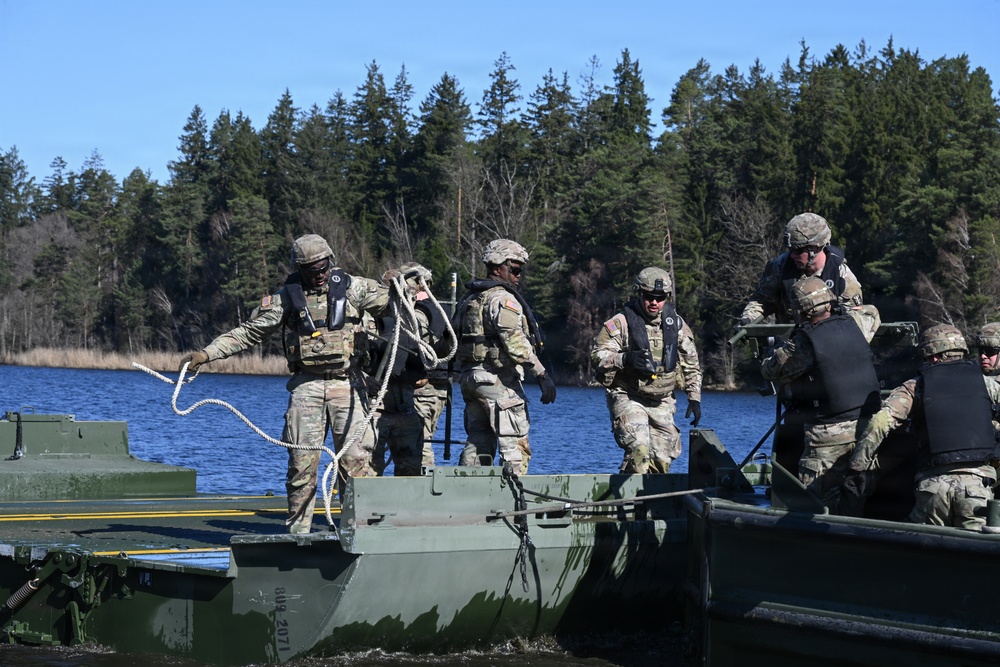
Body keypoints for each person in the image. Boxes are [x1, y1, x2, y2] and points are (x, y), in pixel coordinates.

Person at [178, 234, 390, 534]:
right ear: (299, 269)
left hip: (349, 385)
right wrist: (206, 354)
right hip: (307, 387)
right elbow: (247, 333)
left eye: (323, 267)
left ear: (330, 261)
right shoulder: (286, 299)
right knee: (302, 465)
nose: (320, 274)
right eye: (312, 269)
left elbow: (396, 304)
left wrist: (405, 285)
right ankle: (298, 533)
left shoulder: (354, 288)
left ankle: (359, 532)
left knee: (356, 463)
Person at [846, 324, 1000, 530]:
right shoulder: (986, 384)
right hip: (977, 488)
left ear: (933, 356)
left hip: (933, 487)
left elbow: (879, 423)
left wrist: (857, 467)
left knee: (929, 545)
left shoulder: (915, 386)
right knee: (974, 548)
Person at [759, 277, 881, 513]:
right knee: (858, 495)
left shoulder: (804, 343)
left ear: (800, 310)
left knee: (817, 503)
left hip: (828, 434)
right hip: (867, 428)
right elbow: (872, 312)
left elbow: (771, 370)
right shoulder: (856, 322)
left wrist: (784, 343)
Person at [455, 239, 556, 474]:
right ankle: (515, 491)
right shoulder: (502, 299)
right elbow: (515, 343)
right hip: (496, 379)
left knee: (478, 441)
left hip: (471, 378)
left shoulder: (471, 298)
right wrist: (541, 375)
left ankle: (464, 488)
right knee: (515, 443)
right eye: (515, 270)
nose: (519, 276)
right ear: (498, 267)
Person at [591, 267, 702, 474]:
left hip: (662, 400)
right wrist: (625, 358)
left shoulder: (676, 325)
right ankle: (629, 492)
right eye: (649, 296)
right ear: (639, 294)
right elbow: (597, 357)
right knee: (639, 451)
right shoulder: (620, 323)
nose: (654, 302)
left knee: (661, 463)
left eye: (660, 298)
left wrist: (694, 398)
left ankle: (647, 495)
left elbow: (691, 364)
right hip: (628, 396)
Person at [368, 262, 453, 476]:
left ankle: (417, 494)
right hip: (377, 402)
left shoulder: (424, 315)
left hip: (406, 402)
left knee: (412, 463)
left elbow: (435, 349)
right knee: (368, 465)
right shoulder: (375, 314)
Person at [738, 213, 863, 326]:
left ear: (816, 247)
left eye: (798, 250)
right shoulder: (780, 267)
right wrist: (748, 319)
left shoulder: (842, 278)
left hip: (827, 339)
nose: (792, 255)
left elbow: (852, 321)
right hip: (787, 339)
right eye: (790, 250)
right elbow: (762, 301)